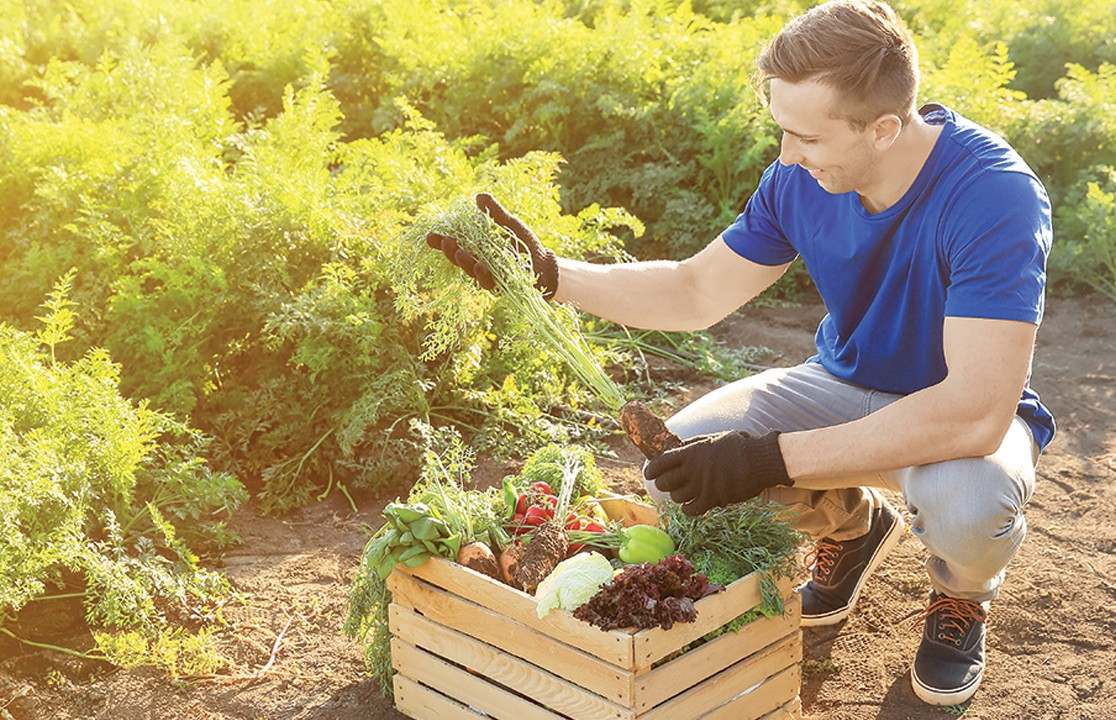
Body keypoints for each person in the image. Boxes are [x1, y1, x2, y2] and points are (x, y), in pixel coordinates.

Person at [426, 0, 1053, 706]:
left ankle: (961, 599)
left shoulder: (994, 197)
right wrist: (550, 275)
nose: (787, 156)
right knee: (676, 472)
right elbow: (695, 291)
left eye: (806, 138)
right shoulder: (802, 179)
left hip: (961, 419)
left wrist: (765, 458)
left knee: (965, 503)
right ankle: (855, 524)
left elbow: (974, 413)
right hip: (844, 385)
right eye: (782, 131)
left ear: (882, 128)